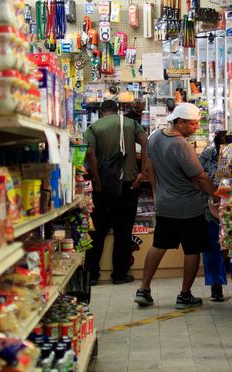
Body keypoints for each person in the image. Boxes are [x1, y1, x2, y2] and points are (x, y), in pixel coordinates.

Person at [134, 103, 215, 310]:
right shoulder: (182, 145)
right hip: (188, 206)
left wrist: (156, 192)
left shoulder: (155, 137)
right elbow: (199, 176)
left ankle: (143, 290)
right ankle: (185, 295)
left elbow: (150, 166)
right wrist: (215, 194)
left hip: (165, 204)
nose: (196, 127)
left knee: (159, 244)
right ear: (179, 122)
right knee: (192, 249)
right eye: (192, 124)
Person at [83, 100, 150, 285]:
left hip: (103, 186)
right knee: (123, 231)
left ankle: (92, 275)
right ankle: (120, 274)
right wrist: (142, 171)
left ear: (101, 112)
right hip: (128, 182)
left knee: (97, 231)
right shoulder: (130, 123)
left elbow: (90, 154)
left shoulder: (93, 127)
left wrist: (96, 180)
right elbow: (145, 142)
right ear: (117, 110)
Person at [199, 131, 231, 301]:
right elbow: (198, 178)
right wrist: (213, 193)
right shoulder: (206, 155)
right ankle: (215, 286)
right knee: (212, 247)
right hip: (210, 208)